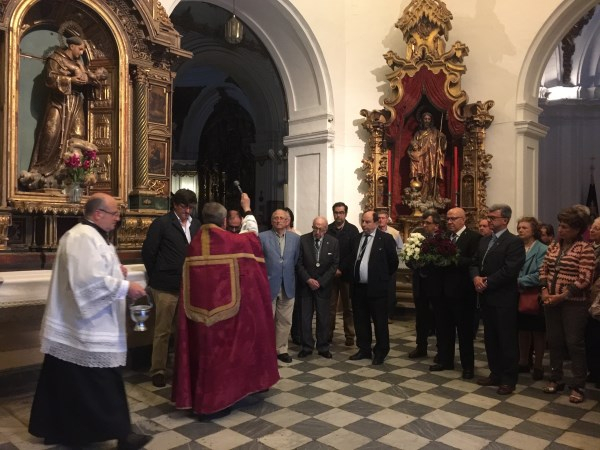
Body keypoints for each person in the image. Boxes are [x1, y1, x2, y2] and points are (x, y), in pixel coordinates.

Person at [29, 193, 151, 449]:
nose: (118, 218)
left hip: (85, 325)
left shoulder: (93, 236)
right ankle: (122, 434)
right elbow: (87, 282)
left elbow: (94, 272)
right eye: (114, 213)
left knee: (68, 380)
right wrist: (125, 287)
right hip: (86, 327)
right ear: (98, 214)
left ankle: (58, 429)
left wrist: (116, 272)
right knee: (102, 382)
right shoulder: (82, 237)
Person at [172, 194, 279, 416]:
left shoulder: (193, 245)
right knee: (226, 356)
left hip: (197, 315)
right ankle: (217, 402)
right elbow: (252, 237)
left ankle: (199, 399)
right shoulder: (233, 243)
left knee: (201, 354)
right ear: (223, 221)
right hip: (226, 315)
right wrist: (247, 210)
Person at [142, 189, 201, 387]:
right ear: (175, 205)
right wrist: (157, 275)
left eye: (191, 207)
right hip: (165, 286)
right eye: (184, 206)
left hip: (188, 285)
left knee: (184, 330)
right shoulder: (162, 224)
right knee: (163, 330)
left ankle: (180, 368)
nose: (188, 211)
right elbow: (149, 252)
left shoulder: (196, 224)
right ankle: (158, 370)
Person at [27, 36, 105, 183]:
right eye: (80, 49)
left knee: (77, 135)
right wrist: (70, 80)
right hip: (59, 102)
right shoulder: (56, 59)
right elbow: (50, 78)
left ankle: (70, 175)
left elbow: (89, 86)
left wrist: (90, 82)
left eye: (83, 50)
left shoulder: (80, 65)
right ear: (71, 46)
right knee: (51, 133)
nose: (81, 53)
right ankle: (42, 171)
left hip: (75, 101)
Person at [539, 206, 595, 403]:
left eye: (565, 227)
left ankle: (578, 385)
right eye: (560, 226)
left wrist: (562, 296)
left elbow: (585, 278)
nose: (560, 230)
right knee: (554, 341)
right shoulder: (554, 246)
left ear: (577, 229)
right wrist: (545, 290)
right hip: (551, 301)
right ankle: (556, 378)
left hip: (574, 304)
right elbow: (543, 269)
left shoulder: (585, 249)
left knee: (574, 343)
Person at [471, 204, 525, 395]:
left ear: (505, 220)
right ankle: (495, 373)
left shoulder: (514, 242)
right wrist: (476, 277)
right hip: (486, 297)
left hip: (504, 298)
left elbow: (510, 269)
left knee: (506, 339)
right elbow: (474, 262)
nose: (490, 220)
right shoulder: (485, 240)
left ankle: (509, 379)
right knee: (490, 338)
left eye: (493, 217)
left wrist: (487, 282)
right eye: (489, 217)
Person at [431, 207, 481, 379]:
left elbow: (475, 261)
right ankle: (445, 360)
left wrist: (453, 258)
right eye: (448, 219)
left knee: (465, 332)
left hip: (462, 293)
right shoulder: (444, 236)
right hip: (442, 291)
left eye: (453, 219)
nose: (450, 222)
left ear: (463, 219)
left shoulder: (473, 237)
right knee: (444, 329)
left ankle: (468, 366)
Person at [347, 210, 399, 365]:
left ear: (376, 223)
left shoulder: (386, 239)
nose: (364, 224)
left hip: (377, 288)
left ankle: (381, 351)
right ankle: (364, 349)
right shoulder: (357, 238)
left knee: (380, 322)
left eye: (367, 222)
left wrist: (380, 278)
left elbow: (393, 263)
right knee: (360, 320)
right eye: (362, 221)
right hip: (358, 288)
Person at [259, 209, 301, 363]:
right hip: (268, 285)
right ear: (271, 221)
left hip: (288, 285)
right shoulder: (262, 237)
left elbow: (296, 260)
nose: (278, 220)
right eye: (275, 218)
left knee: (285, 320)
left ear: (287, 221)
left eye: (281, 218)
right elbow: (259, 261)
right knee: (266, 320)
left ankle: (281, 350)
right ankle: (265, 349)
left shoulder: (295, 239)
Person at [296, 217, 339, 358]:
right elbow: (298, 263)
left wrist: (320, 282)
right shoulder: (303, 240)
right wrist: (308, 279)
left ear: (326, 229)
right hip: (306, 285)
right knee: (305, 318)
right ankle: (306, 346)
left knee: (323, 318)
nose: (317, 231)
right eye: (315, 228)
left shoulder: (333, 242)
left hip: (323, 287)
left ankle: (323, 346)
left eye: (321, 229)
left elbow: (334, 265)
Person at [515, 217, 547, 381]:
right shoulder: (516, 246)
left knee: (537, 331)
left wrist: (518, 281)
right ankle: (523, 361)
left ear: (533, 230)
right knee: (522, 329)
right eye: (519, 227)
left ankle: (539, 365)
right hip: (517, 293)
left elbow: (541, 273)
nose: (520, 230)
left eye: (524, 228)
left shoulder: (542, 249)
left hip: (534, 293)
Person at [408, 209, 440, 359]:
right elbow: (408, 258)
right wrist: (414, 263)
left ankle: (441, 350)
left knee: (438, 318)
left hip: (435, 284)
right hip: (419, 284)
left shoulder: (442, 239)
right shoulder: (418, 237)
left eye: (428, 223)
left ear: (436, 225)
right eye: (423, 222)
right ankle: (421, 346)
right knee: (421, 318)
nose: (424, 225)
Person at [327, 202, 360, 346]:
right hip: (331, 274)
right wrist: (333, 269)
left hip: (347, 275)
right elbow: (325, 252)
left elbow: (354, 253)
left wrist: (341, 268)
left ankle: (350, 335)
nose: (338, 215)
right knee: (330, 307)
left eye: (341, 212)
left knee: (349, 307)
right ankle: (328, 334)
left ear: (345, 214)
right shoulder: (328, 229)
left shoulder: (352, 230)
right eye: (336, 212)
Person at [407, 111, 447, 202]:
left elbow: (442, 146)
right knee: (422, 178)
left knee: (432, 177)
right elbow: (412, 146)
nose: (427, 121)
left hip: (432, 159)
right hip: (421, 159)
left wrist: (443, 138)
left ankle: (433, 195)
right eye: (425, 119)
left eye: (429, 119)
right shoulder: (418, 133)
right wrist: (414, 151)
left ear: (431, 120)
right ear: (422, 120)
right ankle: (421, 196)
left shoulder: (436, 132)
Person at [377, 210, 403, 322]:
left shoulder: (394, 233)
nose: (380, 220)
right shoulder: (373, 231)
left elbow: (400, 248)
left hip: (389, 266)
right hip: (376, 266)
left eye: (383, 218)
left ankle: (388, 314)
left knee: (390, 291)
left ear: (387, 219)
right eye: (379, 218)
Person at [586, 217, 600, 389]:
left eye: (597, 228)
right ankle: (594, 371)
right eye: (592, 227)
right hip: (589, 299)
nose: (592, 230)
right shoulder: (590, 247)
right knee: (591, 338)